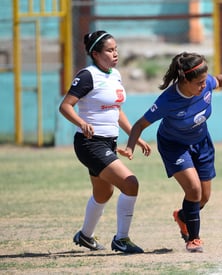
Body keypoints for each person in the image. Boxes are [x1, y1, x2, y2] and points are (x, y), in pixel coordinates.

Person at [118, 52, 222, 253]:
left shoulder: (205, 84)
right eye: (199, 83)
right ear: (184, 80)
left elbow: (217, 81)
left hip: (201, 142)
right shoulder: (167, 100)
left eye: (205, 81)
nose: (203, 86)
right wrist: (129, 147)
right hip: (174, 146)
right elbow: (139, 125)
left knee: (203, 197)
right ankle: (194, 239)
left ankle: (182, 216)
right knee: (194, 190)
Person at [59, 30, 152, 254]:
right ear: (96, 53)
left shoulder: (115, 75)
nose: (115, 53)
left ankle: (85, 236)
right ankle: (122, 239)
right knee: (130, 183)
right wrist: (82, 123)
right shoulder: (87, 75)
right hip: (90, 143)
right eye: (110, 50)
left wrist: (134, 137)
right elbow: (65, 106)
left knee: (103, 194)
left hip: (108, 142)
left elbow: (117, 111)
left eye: (116, 49)